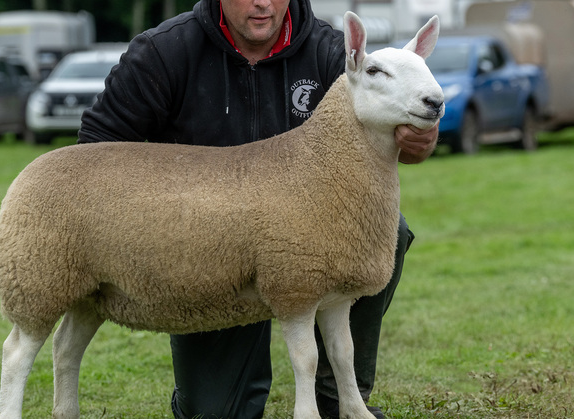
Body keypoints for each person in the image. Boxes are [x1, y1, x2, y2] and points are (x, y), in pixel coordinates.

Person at [78, 0, 438, 417]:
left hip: (306, 245)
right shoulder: (165, 52)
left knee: (385, 231)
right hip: (207, 248)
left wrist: (419, 141)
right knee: (215, 414)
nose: (262, 2)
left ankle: (341, 398)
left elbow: (392, 123)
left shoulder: (328, 52)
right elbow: (97, 146)